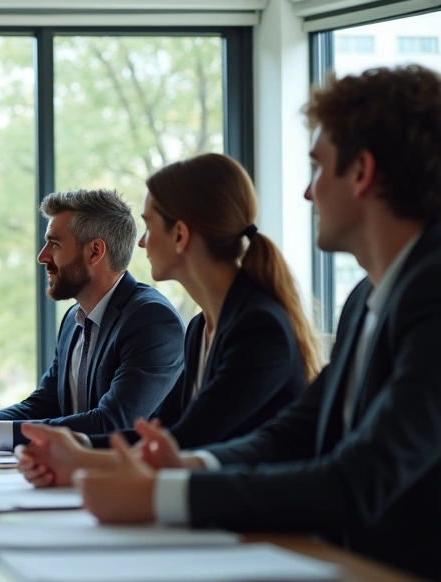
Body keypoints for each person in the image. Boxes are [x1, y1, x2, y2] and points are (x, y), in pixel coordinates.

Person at [69, 65, 441, 582]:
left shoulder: (429, 298)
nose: (309, 194)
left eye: (319, 168)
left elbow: (361, 477)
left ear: (362, 174)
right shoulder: (367, 298)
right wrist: (188, 470)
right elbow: (293, 434)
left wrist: (167, 492)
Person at [19, 154, 322, 486]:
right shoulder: (198, 329)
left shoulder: (258, 327)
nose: (141, 242)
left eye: (149, 227)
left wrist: (80, 453)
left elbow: (190, 440)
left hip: (260, 526)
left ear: (180, 235)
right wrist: (72, 449)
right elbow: (169, 436)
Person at [0, 189, 184, 450]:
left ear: (94, 252)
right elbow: (47, 403)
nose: (42, 256)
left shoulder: (151, 320)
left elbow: (113, 423)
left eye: (54, 244)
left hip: (133, 485)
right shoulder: (74, 319)